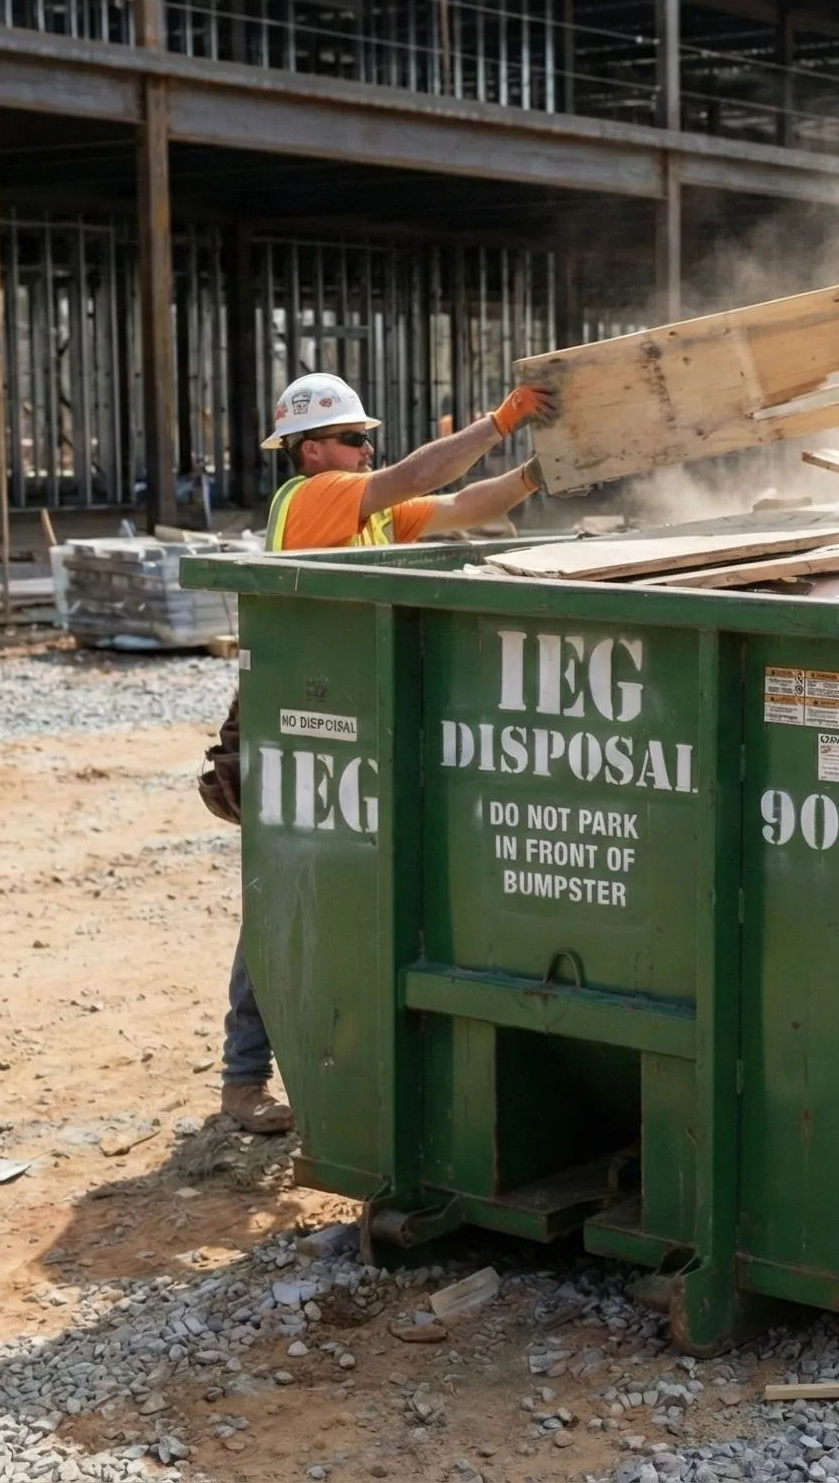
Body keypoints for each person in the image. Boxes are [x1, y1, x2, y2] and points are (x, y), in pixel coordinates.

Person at [203, 372, 558, 1133]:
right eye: (352, 438)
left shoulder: (365, 513)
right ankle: (243, 1081)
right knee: (284, 894)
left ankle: (333, 1063)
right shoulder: (315, 497)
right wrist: (500, 421)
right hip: (300, 723)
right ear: (309, 449)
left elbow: (461, 505)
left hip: (345, 713)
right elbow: (421, 475)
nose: (367, 450)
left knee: (339, 893)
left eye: (367, 438)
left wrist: (536, 474)